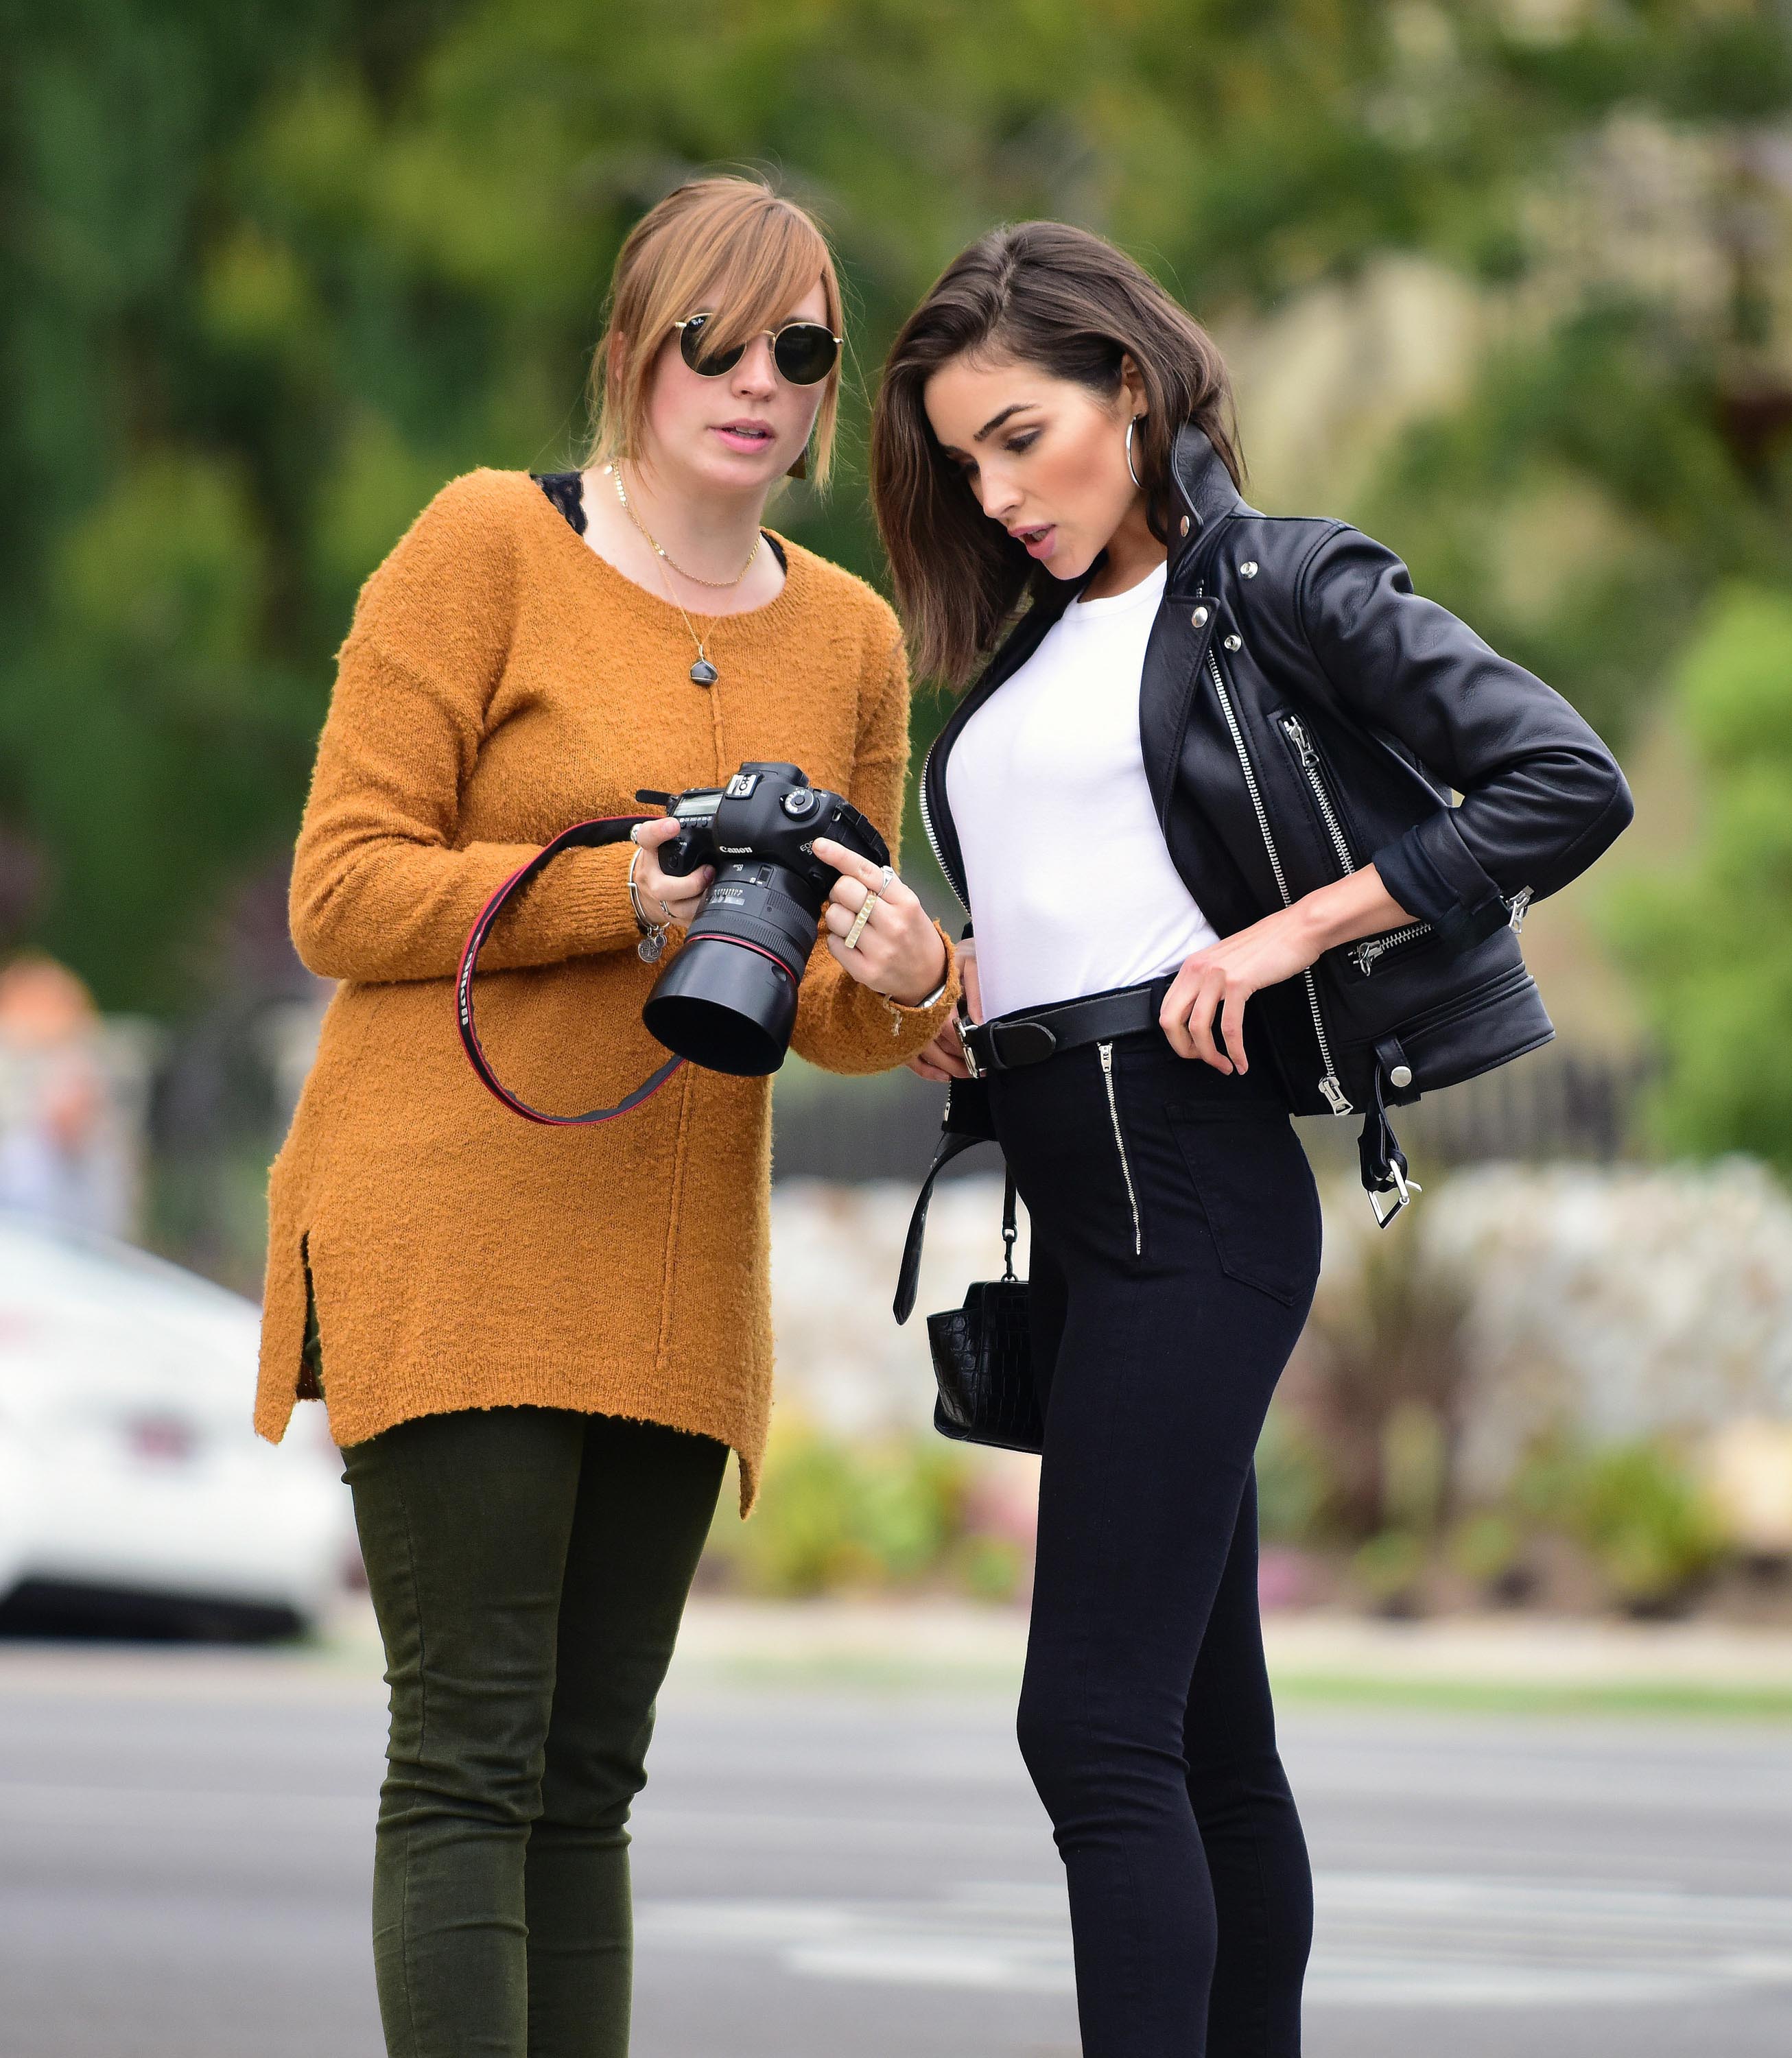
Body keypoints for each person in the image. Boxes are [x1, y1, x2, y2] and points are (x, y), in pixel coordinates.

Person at [871, 220, 1632, 2057]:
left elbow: (1562, 778)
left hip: (1186, 1198)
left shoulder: (1277, 585)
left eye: (1022, 437)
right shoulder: (1033, 656)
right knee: (1205, 1747)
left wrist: (1299, 928)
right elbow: (1084, 914)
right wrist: (951, 987)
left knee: (1090, 1731)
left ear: (1129, 390)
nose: (994, 494)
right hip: (1070, 1205)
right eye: (964, 462)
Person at [253, 175, 958, 2058]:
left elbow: (822, 1020)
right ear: (630, 357)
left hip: (661, 1264)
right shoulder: (485, 543)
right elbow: (339, 891)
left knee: (591, 1774)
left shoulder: (856, 643)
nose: (754, 381)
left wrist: (901, 977)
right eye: (708, 344)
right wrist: (605, 891)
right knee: (474, 1756)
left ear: (830, 391)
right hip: (451, 1219)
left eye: (799, 350)